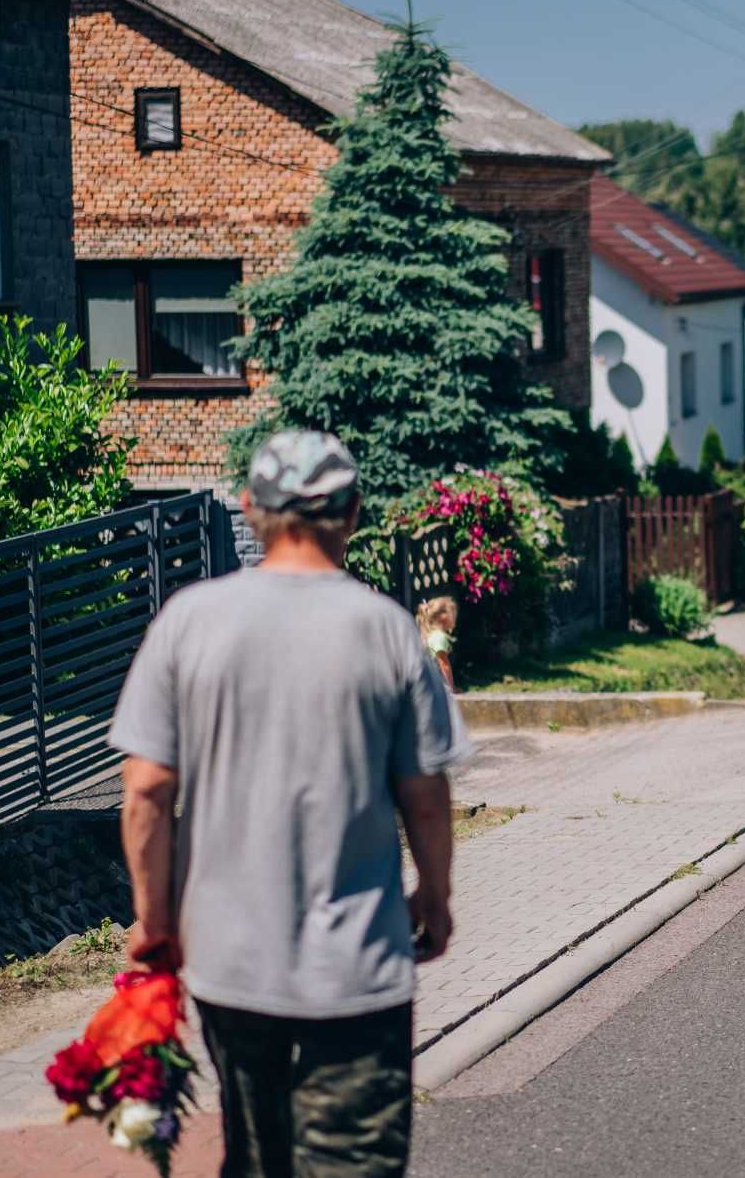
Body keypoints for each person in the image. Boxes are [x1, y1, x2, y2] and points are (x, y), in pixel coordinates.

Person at [110, 430, 469, 1177]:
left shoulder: (189, 620)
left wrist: (155, 923)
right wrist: (433, 895)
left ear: (249, 508)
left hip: (229, 964)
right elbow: (426, 798)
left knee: (256, 1157)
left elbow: (145, 789)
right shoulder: (388, 632)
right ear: (354, 514)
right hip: (359, 966)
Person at [417, 596, 459, 692]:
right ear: (444, 617)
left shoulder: (430, 634)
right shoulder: (439, 637)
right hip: (436, 687)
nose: (455, 617)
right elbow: (444, 664)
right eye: (453, 614)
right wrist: (451, 688)